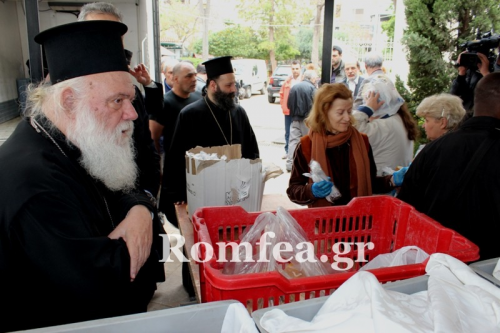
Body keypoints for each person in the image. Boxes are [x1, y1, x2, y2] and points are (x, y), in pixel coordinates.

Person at [0, 21, 165, 332]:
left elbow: (118, 190)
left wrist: (141, 207)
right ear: (68, 101)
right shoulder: (36, 187)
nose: (132, 114)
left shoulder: (73, 141)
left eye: (131, 99)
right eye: (117, 100)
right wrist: (145, 219)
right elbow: (105, 289)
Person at [398, 73, 500, 260]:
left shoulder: (433, 150)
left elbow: (405, 209)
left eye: (427, 120)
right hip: (489, 266)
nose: (424, 126)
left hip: (434, 259)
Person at [79, 1, 162, 196]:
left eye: (114, 35)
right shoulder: (70, 94)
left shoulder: (129, 90)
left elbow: (146, 146)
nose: (106, 41)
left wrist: (148, 196)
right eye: (98, 33)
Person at [287, 84, 393, 207]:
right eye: (340, 112)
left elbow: (371, 182)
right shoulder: (306, 146)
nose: (347, 118)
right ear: (324, 113)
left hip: (357, 220)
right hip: (325, 222)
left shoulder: (362, 141)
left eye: (349, 111)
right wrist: (311, 191)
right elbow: (293, 190)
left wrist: (391, 180)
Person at [150, 61, 199, 226]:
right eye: (189, 76)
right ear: (176, 79)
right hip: (176, 170)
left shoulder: (199, 98)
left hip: (200, 166)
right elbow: (153, 136)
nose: (194, 79)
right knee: (180, 217)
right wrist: (159, 167)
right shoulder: (165, 103)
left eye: (195, 75)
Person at [353, 79, 418, 176]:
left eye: (366, 101)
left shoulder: (382, 126)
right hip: (394, 180)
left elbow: (351, 128)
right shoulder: (400, 120)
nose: (364, 103)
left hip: (381, 182)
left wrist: (367, 109)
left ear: (378, 105)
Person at [285, 70, 318, 172]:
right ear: (312, 78)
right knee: (309, 142)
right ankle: (309, 165)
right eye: (315, 78)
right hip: (308, 120)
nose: (316, 80)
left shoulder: (294, 87)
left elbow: (288, 104)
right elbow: (316, 105)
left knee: (293, 142)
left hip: (295, 119)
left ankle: (290, 164)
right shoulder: (313, 88)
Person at [450, 51, 491, 115]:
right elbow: (455, 97)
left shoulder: (494, 71)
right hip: (467, 117)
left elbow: (495, 96)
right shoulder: (469, 72)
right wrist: (461, 73)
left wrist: (486, 74)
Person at [279, 60, 302, 159]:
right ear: (291, 69)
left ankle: (299, 152)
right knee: (288, 131)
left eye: (297, 68)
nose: (295, 70)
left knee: (299, 132)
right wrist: (283, 106)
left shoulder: (303, 80)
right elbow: (282, 94)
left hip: (300, 111)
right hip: (288, 111)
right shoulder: (287, 81)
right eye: (293, 68)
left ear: (300, 69)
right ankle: (288, 151)